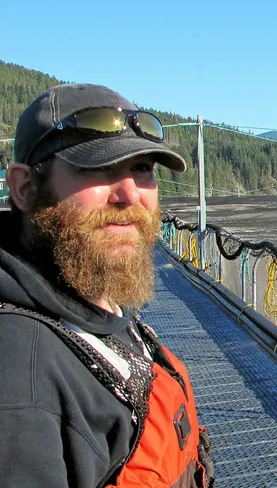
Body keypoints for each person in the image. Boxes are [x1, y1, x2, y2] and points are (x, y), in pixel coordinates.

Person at [0, 84, 213, 487]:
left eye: (143, 169)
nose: (130, 194)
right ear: (25, 187)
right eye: (96, 168)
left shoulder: (89, 292)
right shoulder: (18, 381)